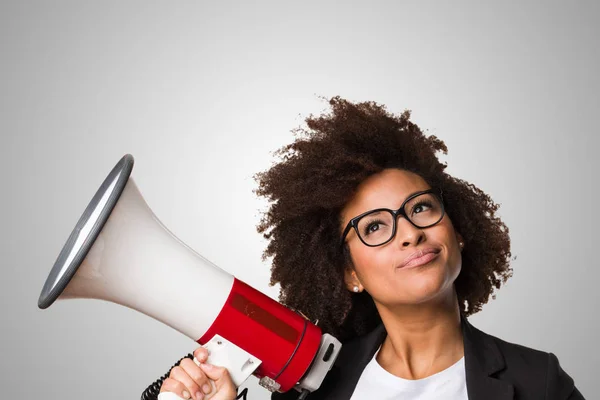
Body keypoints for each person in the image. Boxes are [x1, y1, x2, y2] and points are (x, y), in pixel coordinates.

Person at [143, 97, 585, 400]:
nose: (410, 233)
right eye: (375, 227)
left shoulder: (537, 380)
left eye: (422, 208)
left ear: (458, 231)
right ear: (348, 273)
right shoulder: (314, 387)